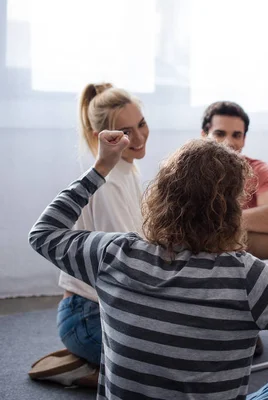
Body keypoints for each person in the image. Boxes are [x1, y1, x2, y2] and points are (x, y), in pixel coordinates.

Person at [29, 133, 268, 400]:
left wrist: (101, 167)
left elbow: (43, 233)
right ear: (233, 209)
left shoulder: (115, 254)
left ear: (160, 194)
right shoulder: (246, 277)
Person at [31, 83, 149, 386]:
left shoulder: (127, 170)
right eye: (125, 131)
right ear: (106, 138)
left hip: (102, 309)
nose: (137, 137)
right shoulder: (108, 183)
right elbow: (126, 270)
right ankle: (90, 370)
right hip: (86, 315)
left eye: (141, 124)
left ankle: (92, 361)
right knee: (166, 363)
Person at [201, 101, 268, 261]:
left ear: (244, 139)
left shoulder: (259, 170)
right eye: (220, 134)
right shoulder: (189, 168)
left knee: (265, 242)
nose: (228, 142)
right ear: (204, 135)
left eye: (236, 135)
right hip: (199, 242)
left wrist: (221, 222)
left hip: (239, 246)